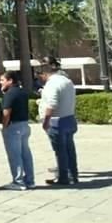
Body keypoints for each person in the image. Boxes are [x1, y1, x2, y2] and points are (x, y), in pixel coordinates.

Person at [38, 57, 78, 186]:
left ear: (45, 73)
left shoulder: (52, 84)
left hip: (56, 121)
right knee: (70, 149)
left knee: (60, 151)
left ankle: (63, 177)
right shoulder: (67, 81)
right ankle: (73, 175)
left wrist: (46, 121)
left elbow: (52, 104)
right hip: (69, 118)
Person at [0, 71, 34, 190]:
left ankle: (18, 181)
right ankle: (30, 180)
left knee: (15, 155)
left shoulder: (10, 94)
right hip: (24, 124)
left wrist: (4, 126)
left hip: (13, 126)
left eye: (3, 80)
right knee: (26, 154)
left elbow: (6, 112)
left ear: (10, 80)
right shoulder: (22, 92)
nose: (0, 82)